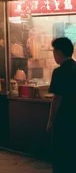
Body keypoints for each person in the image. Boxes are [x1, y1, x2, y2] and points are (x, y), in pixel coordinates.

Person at [47, 37, 76, 173]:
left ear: (58, 53)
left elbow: (57, 98)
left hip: (63, 119)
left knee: (60, 154)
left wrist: (50, 121)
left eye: (54, 53)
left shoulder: (58, 72)